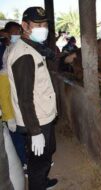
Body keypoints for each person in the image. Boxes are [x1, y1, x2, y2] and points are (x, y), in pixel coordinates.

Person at [6, 7, 58, 190]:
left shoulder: (32, 48)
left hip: (44, 114)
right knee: (38, 163)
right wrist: (35, 132)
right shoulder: (24, 55)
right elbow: (25, 98)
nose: (43, 28)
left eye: (45, 24)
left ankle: (43, 181)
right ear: (25, 26)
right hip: (36, 119)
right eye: (37, 24)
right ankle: (38, 185)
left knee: (47, 153)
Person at [0, 21, 28, 177]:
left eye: (20, 31)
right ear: (8, 34)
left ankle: (25, 160)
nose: (19, 33)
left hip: (18, 104)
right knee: (16, 137)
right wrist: (8, 116)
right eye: (16, 31)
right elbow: (3, 91)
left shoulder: (16, 49)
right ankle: (24, 165)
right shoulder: (4, 53)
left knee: (21, 137)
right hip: (9, 107)